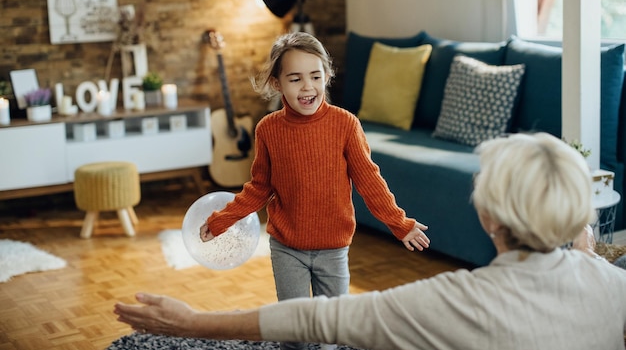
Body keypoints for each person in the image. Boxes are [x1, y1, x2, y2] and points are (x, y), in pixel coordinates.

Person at [115, 132, 626, 350]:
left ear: (489, 214)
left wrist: (191, 323)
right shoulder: (613, 286)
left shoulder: (455, 302)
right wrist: (583, 257)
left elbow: (316, 318)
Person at [201, 32, 430, 350]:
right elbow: (259, 188)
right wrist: (221, 220)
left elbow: (369, 181)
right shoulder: (268, 129)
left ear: (327, 76)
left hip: (333, 249)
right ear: (278, 84)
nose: (307, 87)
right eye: (295, 79)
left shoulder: (345, 124)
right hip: (287, 248)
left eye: (315, 76)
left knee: (333, 329)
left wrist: (399, 223)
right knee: (292, 329)